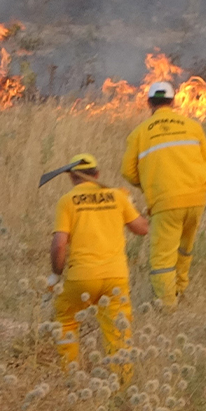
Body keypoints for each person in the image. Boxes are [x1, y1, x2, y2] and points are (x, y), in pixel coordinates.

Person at [50, 153, 149, 379]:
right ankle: (122, 383)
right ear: (97, 174)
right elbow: (142, 229)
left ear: (72, 177)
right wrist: (131, 204)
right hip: (116, 278)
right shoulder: (118, 196)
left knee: (66, 321)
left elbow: (59, 244)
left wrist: (55, 275)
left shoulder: (67, 201)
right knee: (118, 331)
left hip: (81, 278)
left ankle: (69, 377)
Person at [121, 81, 206, 309]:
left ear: (149, 103)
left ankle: (167, 306)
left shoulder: (139, 133)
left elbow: (128, 172)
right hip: (197, 199)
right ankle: (180, 289)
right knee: (185, 248)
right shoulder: (193, 127)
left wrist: (148, 184)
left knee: (162, 258)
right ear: (173, 102)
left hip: (165, 202)